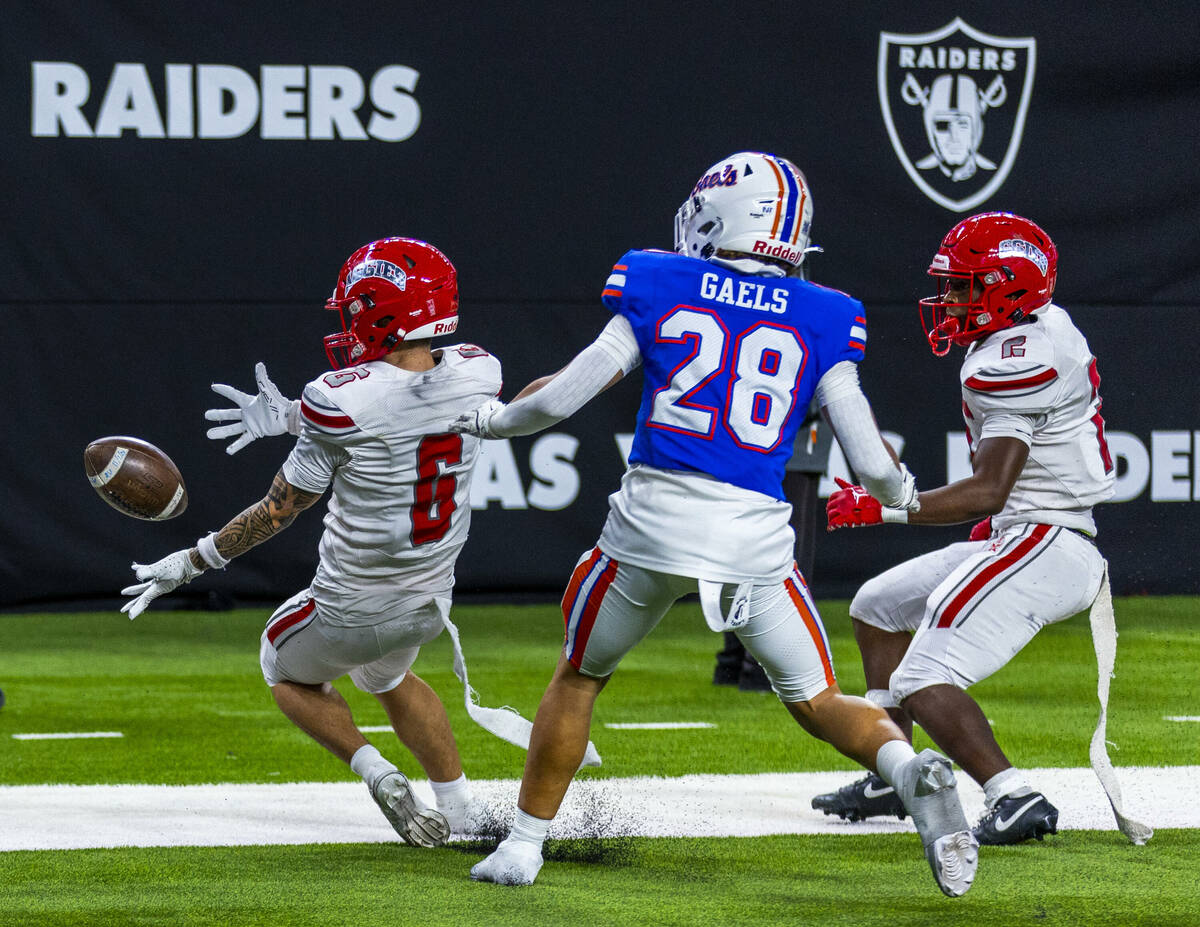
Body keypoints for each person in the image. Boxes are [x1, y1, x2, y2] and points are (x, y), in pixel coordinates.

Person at [451, 152, 978, 897]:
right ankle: (904, 768)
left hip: (649, 528)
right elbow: (872, 464)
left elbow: (562, 398)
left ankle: (523, 845)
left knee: (578, 676)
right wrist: (904, 492)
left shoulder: (659, 278)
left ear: (717, 217)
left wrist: (491, 420)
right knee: (820, 700)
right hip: (752, 541)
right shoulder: (825, 312)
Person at [120, 238, 513, 848]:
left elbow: (279, 511)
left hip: (351, 603)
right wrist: (291, 419)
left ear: (377, 312)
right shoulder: (478, 370)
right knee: (387, 678)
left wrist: (192, 561)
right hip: (431, 599)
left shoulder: (336, 399)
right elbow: (401, 406)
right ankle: (463, 809)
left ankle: (379, 774)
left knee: (281, 665)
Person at [811, 213, 1125, 845]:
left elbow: (989, 489)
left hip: (1049, 540)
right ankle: (888, 766)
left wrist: (888, 507)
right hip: (1023, 530)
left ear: (1009, 287)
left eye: (964, 287)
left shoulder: (1015, 361)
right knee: (876, 605)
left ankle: (1013, 795)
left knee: (923, 677)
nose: (949, 301)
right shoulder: (1042, 326)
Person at [713, 396, 832, 690]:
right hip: (788, 437)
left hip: (740, 436)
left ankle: (734, 664)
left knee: (739, 548)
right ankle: (759, 669)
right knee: (784, 553)